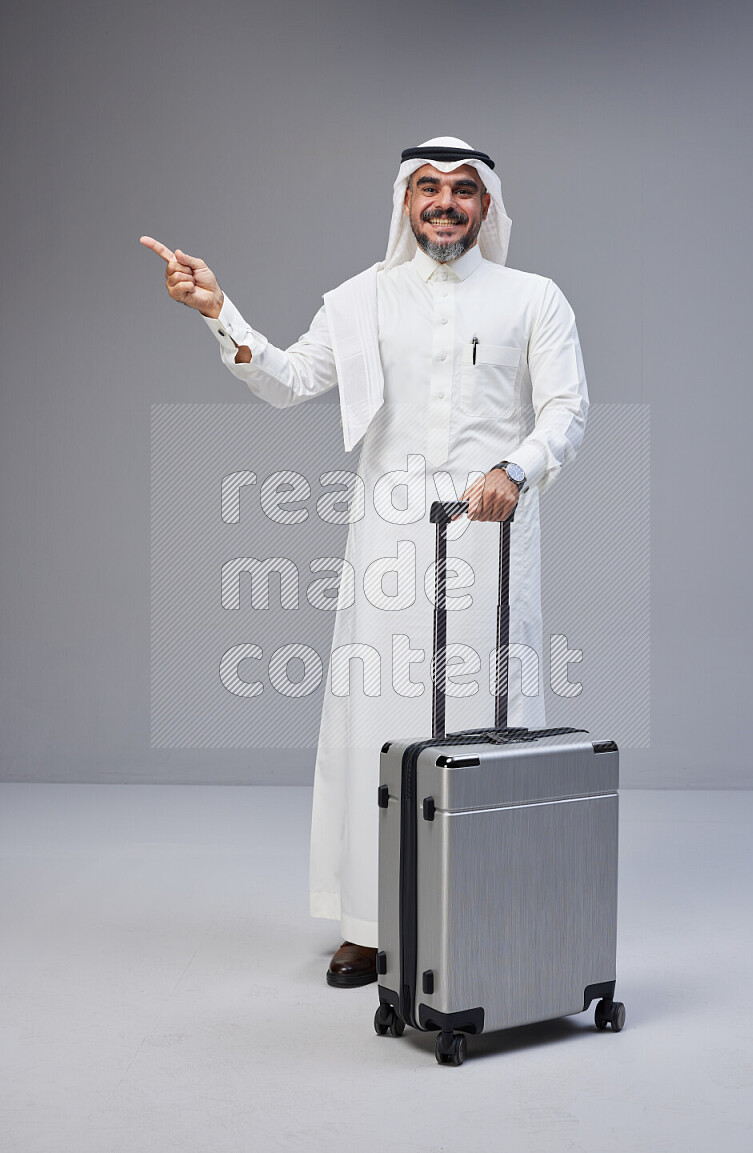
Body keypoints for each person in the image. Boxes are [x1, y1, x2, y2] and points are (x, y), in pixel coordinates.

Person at [141, 136, 589, 989]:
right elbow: (284, 379)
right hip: (388, 537)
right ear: (405, 203)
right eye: (428, 188)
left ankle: (488, 903)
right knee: (375, 717)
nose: (446, 203)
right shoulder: (361, 300)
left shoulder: (535, 299)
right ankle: (372, 921)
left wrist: (515, 469)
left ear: (487, 206)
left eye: (463, 189)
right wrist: (216, 310)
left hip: (492, 536)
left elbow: (567, 409)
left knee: (490, 718)